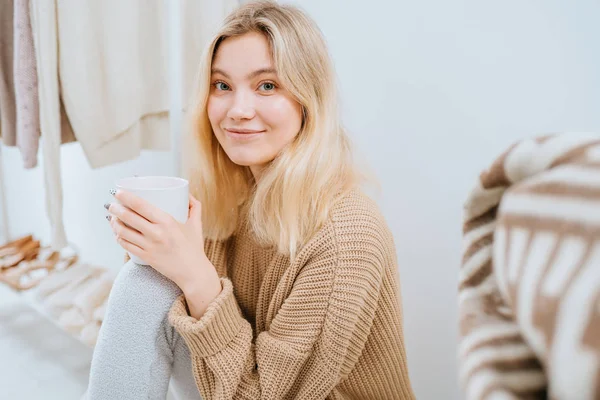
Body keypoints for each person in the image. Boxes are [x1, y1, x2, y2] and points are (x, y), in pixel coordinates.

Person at [88, 1, 415, 399]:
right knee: (145, 282)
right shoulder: (227, 193)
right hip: (237, 376)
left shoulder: (345, 237)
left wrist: (194, 273)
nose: (238, 111)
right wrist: (151, 248)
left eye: (267, 86)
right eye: (222, 86)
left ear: (307, 100)